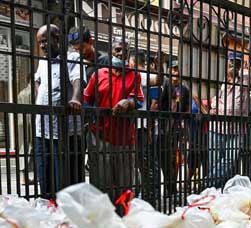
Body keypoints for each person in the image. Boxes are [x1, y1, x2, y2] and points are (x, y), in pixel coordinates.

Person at [83, 38, 144, 199]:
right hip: (100, 137)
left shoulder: (134, 76)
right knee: (101, 184)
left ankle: (122, 218)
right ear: (111, 51)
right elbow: (86, 101)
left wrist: (128, 102)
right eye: (117, 50)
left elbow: (139, 100)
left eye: (125, 51)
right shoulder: (99, 74)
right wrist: (94, 118)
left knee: (124, 186)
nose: (121, 53)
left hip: (124, 139)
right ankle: (103, 220)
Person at [33, 24, 83, 197]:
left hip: (63, 130)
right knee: (44, 174)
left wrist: (75, 98)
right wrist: (42, 96)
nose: (42, 46)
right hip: (42, 128)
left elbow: (78, 80)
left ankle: (64, 214)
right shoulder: (42, 61)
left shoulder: (72, 57)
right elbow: (37, 80)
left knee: (62, 178)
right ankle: (47, 208)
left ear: (58, 39)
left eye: (45, 41)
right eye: (40, 43)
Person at [208, 51, 251, 188]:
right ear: (227, 62)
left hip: (236, 129)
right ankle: (217, 192)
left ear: (241, 65)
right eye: (231, 61)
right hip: (216, 127)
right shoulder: (218, 79)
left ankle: (206, 185)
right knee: (214, 162)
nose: (234, 65)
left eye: (237, 62)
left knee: (229, 160)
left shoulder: (246, 79)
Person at [129, 51, 162, 206]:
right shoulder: (132, 75)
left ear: (134, 62)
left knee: (143, 163)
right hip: (136, 126)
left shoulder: (140, 75)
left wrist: (149, 129)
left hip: (141, 126)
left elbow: (154, 103)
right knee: (140, 162)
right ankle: (142, 194)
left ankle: (147, 196)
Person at [159, 60, 191, 203]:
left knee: (174, 159)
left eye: (178, 70)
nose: (176, 73)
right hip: (163, 126)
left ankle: (171, 187)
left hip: (176, 128)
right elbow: (160, 104)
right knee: (164, 158)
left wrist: (183, 125)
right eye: (173, 69)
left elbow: (186, 110)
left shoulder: (184, 89)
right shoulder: (165, 84)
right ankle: (168, 187)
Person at [187, 93, 209, 193]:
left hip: (205, 136)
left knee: (205, 162)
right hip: (193, 136)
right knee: (192, 163)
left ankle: (205, 184)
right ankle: (187, 183)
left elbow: (207, 115)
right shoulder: (189, 100)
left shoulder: (207, 101)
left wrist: (198, 101)